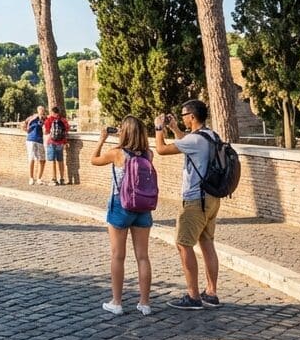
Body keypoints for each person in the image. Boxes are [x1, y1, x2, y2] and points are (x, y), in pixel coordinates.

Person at [154, 100, 223, 310]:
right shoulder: (211, 136)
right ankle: (211, 293)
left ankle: (193, 296)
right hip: (212, 198)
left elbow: (161, 149)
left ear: (192, 116)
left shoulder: (194, 140)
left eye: (183, 115)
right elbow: (188, 144)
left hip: (195, 200)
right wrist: (174, 128)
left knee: (184, 244)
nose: (182, 117)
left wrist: (159, 128)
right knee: (207, 243)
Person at [90, 117, 154, 316]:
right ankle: (144, 303)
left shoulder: (117, 154)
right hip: (143, 207)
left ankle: (117, 302)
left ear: (124, 133)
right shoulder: (148, 154)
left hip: (121, 205)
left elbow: (94, 160)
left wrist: (102, 139)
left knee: (118, 255)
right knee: (143, 256)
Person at [44, 106, 70, 186]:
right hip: (61, 143)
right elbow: (67, 129)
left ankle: (54, 179)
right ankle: (62, 179)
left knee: (52, 161)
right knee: (60, 161)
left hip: (51, 142)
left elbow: (46, 131)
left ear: (52, 112)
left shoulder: (49, 120)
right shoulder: (63, 120)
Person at [24, 106, 47, 185]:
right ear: (38, 111)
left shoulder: (44, 119)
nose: (42, 111)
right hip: (31, 140)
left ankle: (39, 178)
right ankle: (31, 178)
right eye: (40, 110)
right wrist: (27, 131)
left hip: (40, 140)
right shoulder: (32, 118)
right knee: (32, 158)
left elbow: (46, 129)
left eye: (43, 110)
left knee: (42, 159)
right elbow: (24, 124)